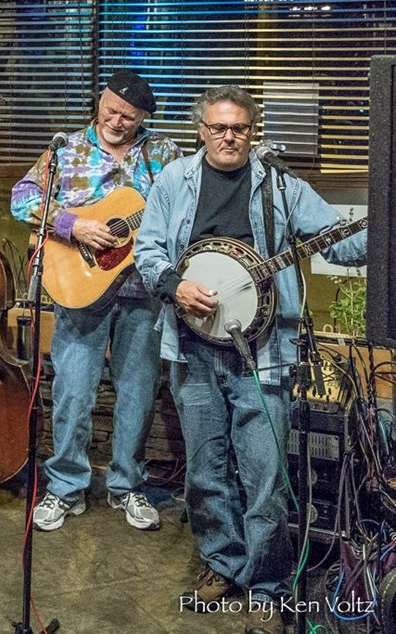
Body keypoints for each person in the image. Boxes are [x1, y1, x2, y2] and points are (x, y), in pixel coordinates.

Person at [134, 85, 366, 633]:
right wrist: (175, 285)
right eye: (218, 127)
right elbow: (147, 252)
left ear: (252, 131)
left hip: (262, 353)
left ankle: (267, 585)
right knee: (207, 472)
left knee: (266, 477)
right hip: (192, 346)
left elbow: (337, 242)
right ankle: (223, 565)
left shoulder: (281, 185)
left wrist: (375, 227)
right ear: (202, 129)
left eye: (239, 127)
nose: (229, 136)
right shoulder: (173, 182)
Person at [10, 70, 182, 532]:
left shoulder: (163, 153)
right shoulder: (67, 149)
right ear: (100, 100)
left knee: (138, 394)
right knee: (72, 392)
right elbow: (21, 197)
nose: (117, 121)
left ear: (142, 118)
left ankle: (126, 487)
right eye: (110, 109)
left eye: (128, 116)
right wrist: (72, 226)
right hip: (80, 290)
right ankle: (65, 488)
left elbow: (183, 208)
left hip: (141, 292)